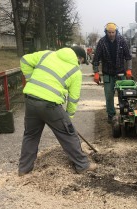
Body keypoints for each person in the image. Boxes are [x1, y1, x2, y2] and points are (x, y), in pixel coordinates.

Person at [18, 46, 97, 176]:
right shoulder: (75, 71)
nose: (81, 65)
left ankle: (24, 169)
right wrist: (69, 117)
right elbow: (73, 98)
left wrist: (30, 80)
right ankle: (83, 165)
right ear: (79, 58)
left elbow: (24, 60)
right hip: (50, 104)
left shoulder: (47, 54)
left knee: (30, 135)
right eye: (82, 62)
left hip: (31, 99)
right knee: (68, 133)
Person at [92, 22, 132, 123]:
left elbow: (128, 57)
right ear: (106, 32)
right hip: (108, 74)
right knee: (109, 95)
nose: (111, 34)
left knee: (123, 95)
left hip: (120, 73)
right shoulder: (102, 42)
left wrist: (129, 69)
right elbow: (95, 59)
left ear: (116, 31)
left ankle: (124, 113)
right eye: (109, 32)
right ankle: (111, 115)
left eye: (113, 32)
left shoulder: (122, 40)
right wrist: (96, 73)